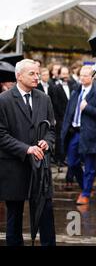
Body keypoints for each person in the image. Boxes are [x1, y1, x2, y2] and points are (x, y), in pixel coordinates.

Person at [0, 59, 56, 246]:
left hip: (40, 169)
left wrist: (46, 142)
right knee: (14, 216)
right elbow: (1, 135)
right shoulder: (4, 100)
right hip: (14, 167)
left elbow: (51, 129)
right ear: (19, 75)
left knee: (46, 213)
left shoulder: (44, 98)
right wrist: (26, 149)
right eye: (31, 73)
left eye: (37, 73)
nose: (36, 77)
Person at [61, 65, 96, 205]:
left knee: (89, 166)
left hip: (90, 134)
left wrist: (87, 108)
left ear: (92, 77)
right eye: (80, 75)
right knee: (72, 163)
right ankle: (85, 186)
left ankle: (86, 193)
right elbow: (69, 111)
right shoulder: (76, 91)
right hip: (75, 132)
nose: (82, 78)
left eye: (85, 75)